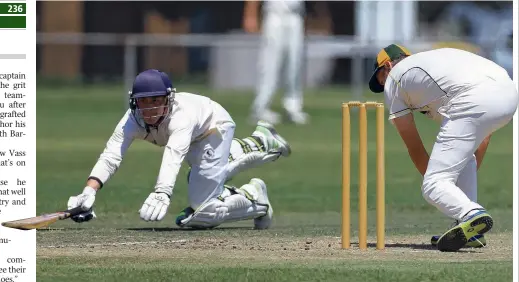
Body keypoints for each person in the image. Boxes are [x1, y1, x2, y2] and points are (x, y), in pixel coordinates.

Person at [66, 69, 292, 230]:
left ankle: (255, 199)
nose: (150, 108)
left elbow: (174, 154)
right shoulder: (131, 120)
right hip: (195, 141)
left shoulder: (180, 117)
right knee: (205, 183)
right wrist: (89, 191)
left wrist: (162, 192)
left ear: (168, 98)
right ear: (135, 103)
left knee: (203, 212)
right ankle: (259, 142)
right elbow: (111, 155)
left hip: (213, 128)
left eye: (156, 100)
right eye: (144, 102)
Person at [368, 44, 518, 252]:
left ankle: (471, 213)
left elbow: (414, 146)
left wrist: (440, 185)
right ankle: (469, 228)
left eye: (380, 80)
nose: (384, 86)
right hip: (509, 93)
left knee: (432, 185)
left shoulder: (395, 79)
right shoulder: (435, 69)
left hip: (473, 98)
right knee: (462, 160)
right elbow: (480, 139)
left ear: (387, 66)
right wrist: (454, 184)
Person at [243, 0, 309, 125]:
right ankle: (260, 108)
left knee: (295, 64)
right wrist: (250, 14)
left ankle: (293, 107)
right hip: (274, 15)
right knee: (270, 64)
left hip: (295, 15)